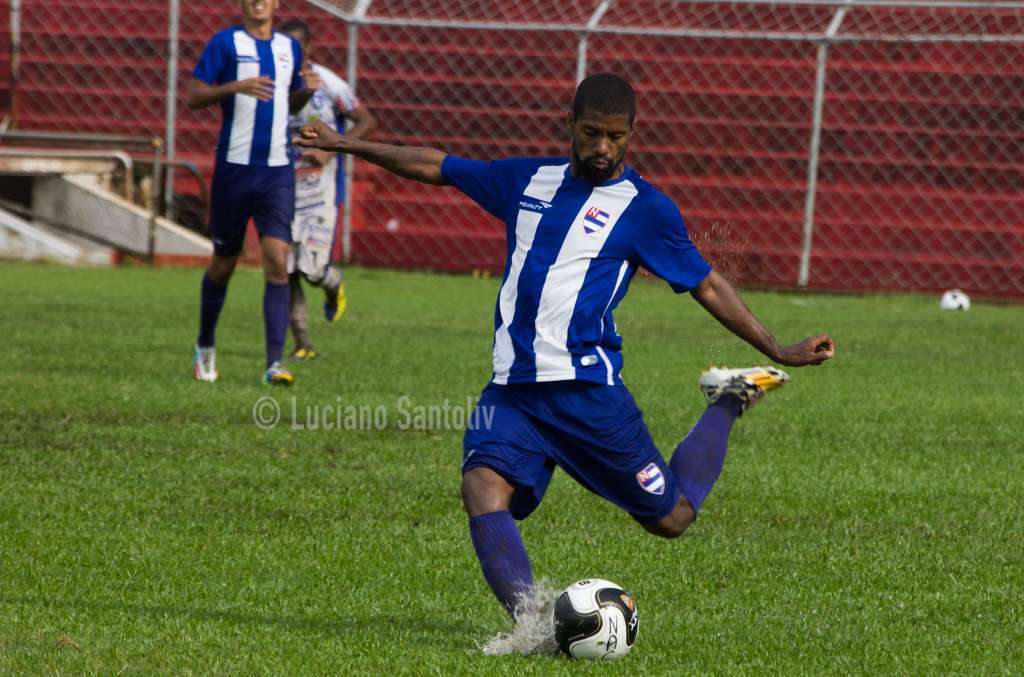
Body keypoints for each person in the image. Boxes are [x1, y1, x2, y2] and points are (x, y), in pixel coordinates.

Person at [293, 73, 836, 622]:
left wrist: (778, 348)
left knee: (670, 519)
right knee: (481, 487)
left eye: (617, 137)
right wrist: (346, 144)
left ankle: (729, 398)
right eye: (593, 132)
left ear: (632, 133)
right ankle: (532, 626)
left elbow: (707, 283)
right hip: (512, 391)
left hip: (586, 393)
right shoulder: (527, 179)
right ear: (569, 125)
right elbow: (439, 165)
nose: (604, 147)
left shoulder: (644, 209)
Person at [188, 0, 317, 386]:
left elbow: (288, 101)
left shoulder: (289, 48)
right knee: (224, 263)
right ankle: (205, 344)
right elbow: (195, 96)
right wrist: (236, 87)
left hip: (277, 170)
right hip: (234, 171)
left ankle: (274, 364)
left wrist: (306, 93)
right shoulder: (225, 43)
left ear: (276, 4)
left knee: (277, 259)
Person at [278, 18, 376, 360]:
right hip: (281, 186)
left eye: (297, 46)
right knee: (285, 268)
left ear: (308, 48)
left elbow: (365, 120)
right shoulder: (275, 82)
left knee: (311, 269)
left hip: (320, 190)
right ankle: (302, 342)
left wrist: (332, 147)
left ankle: (333, 284)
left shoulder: (328, 82)